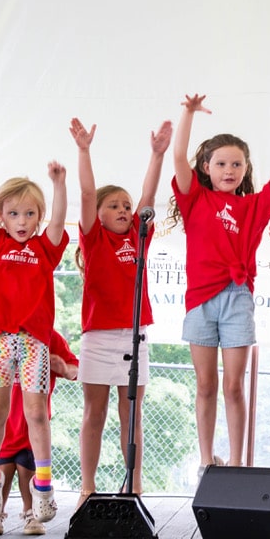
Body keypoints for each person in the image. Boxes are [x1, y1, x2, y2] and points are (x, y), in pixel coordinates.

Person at [169, 93, 270, 472]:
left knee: (233, 386)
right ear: (207, 167)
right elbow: (178, 157)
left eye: (236, 164)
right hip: (200, 301)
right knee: (205, 385)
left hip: (237, 299)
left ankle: (236, 462)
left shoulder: (253, 206)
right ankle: (206, 460)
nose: (229, 170)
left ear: (246, 168)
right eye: (220, 163)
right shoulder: (195, 199)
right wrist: (188, 113)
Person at [0, 153, 68, 526]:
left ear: (39, 218)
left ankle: (44, 488)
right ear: (2, 217)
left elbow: (59, 222)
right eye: (14, 214)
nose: (22, 221)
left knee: (37, 413)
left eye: (30, 214)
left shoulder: (44, 249)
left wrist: (58, 185)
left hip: (34, 342)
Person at [70, 117, 171, 505]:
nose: (124, 210)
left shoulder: (137, 237)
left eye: (126, 205)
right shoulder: (94, 240)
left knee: (131, 416)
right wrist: (84, 151)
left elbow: (148, 196)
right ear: (97, 214)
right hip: (98, 337)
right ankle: (88, 486)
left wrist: (157, 155)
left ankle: (134, 484)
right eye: (113, 205)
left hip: (134, 336)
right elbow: (86, 193)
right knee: (94, 413)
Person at [0, 333, 77, 537]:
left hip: (31, 435)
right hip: (2, 434)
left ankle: (31, 513)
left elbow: (75, 369)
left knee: (28, 472)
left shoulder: (48, 337)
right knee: (0, 473)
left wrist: (64, 369)